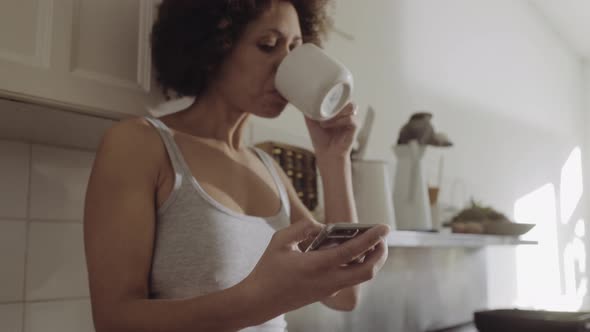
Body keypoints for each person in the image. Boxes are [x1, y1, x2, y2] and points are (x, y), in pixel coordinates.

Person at [83, 1, 390, 331]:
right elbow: (114, 322)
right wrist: (263, 298)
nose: (284, 65)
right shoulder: (140, 144)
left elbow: (344, 295)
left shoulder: (267, 168)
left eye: (295, 50)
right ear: (215, 46)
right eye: (268, 45)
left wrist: (334, 157)